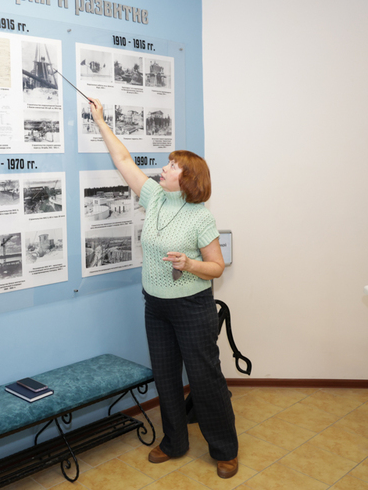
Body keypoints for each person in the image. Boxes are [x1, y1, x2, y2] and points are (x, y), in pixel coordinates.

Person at [89, 98, 239, 479]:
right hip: (155, 306)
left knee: (204, 379)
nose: (164, 168)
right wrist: (101, 121)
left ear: (186, 179)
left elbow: (216, 266)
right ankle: (174, 442)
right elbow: (124, 160)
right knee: (166, 377)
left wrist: (190, 264)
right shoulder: (154, 196)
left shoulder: (200, 218)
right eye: (168, 163)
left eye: (172, 166)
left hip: (192, 308)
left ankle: (225, 448)